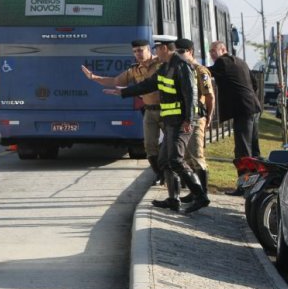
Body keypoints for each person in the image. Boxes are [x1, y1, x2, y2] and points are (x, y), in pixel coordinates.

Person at [104, 36, 209, 214]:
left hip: (181, 122)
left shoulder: (181, 66)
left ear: (166, 49)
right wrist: (122, 93)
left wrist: (188, 120)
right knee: (164, 160)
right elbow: (147, 85)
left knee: (175, 159)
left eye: (157, 48)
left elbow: (191, 95)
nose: (154, 52)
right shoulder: (165, 68)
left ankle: (201, 196)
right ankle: (173, 199)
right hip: (170, 121)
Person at [81, 39, 164, 185]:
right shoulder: (134, 69)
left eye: (140, 50)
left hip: (167, 109)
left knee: (169, 145)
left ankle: (175, 174)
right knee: (150, 146)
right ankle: (160, 175)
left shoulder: (161, 64)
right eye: (134, 51)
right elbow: (115, 81)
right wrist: (94, 77)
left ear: (148, 50)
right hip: (149, 111)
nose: (137, 54)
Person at [208, 41, 261, 196]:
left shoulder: (222, 62)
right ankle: (258, 185)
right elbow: (255, 83)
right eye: (210, 51)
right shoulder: (240, 61)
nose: (211, 54)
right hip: (253, 107)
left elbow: (207, 72)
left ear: (223, 49)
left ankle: (244, 187)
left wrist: (192, 64)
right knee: (253, 148)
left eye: (213, 51)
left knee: (243, 150)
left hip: (243, 110)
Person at [174, 38, 215, 203]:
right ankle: (195, 191)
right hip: (184, 118)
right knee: (187, 157)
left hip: (197, 118)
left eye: (181, 51)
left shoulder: (200, 71)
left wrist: (209, 116)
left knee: (197, 154)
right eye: (176, 52)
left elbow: (210, 96)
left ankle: (203, 193)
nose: (178, 55)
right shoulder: (180, 69)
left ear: (190, 51)